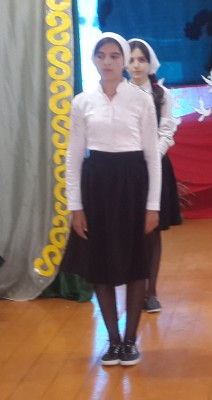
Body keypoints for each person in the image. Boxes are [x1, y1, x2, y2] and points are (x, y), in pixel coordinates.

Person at [60, 32, 160, 366]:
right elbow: (74, 156)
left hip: (132, 185)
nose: (108, 62)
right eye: (101, 55)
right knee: (100, 265)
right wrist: (76, 206)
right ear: (93, 59)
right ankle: (113, 341)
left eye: (115, 56)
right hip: (97, 187)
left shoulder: (141, 100)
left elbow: (152, 157)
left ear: (124, 60)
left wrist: (152, 206)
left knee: (135, 264)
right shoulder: (82, 102)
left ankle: (131, 340)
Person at [127, 38, 182, 313]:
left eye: (141, 60)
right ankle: (134, 288)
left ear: (150, 63)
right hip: (127, 169)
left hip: (156, 168)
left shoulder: (161, 95)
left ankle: (151, 292)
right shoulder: (120, 93)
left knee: (152, 232)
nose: (136, 65)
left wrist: (151, 158)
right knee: (130, 231)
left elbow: (167, 131)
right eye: (132, 60)